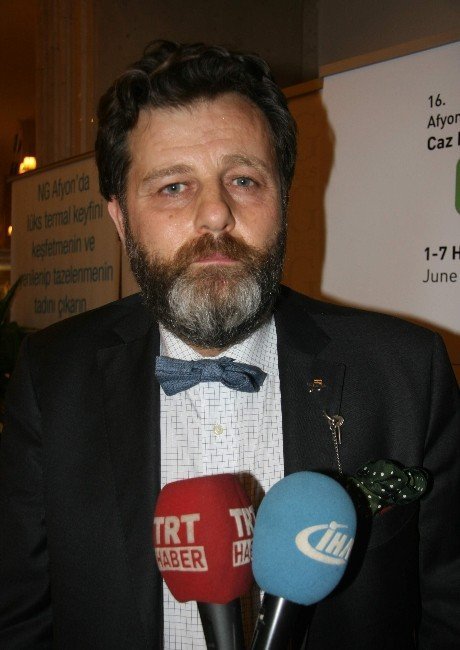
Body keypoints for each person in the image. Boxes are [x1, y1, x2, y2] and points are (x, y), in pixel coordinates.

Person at [0, 40, 459, 650]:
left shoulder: (407, 373)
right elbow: (20, 622)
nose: (215, 213)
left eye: (243, 179)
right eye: (173, 186)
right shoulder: (51, 377)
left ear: (283, 198)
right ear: (120, 218)